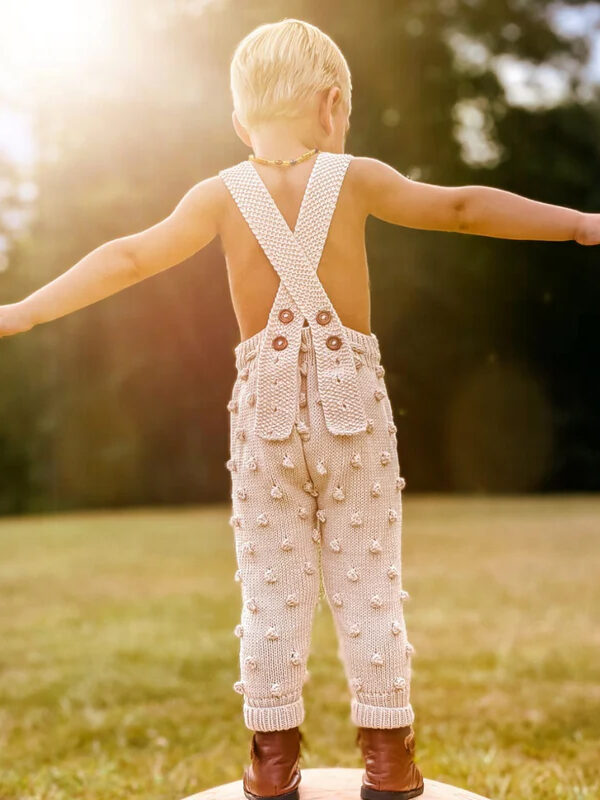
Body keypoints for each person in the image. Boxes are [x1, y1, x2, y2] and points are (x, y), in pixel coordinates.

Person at [1, 16, 598, 800]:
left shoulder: (218, 196)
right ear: (331, 106)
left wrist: (23, 312)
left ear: (239, 120)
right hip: (355, 416)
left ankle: (272, 760)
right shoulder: (357, 178)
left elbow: (129, 256)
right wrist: (581, 224)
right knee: (369, 583)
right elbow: (460, 207)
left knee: (271, 589)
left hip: (265, 420)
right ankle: (389, 759)